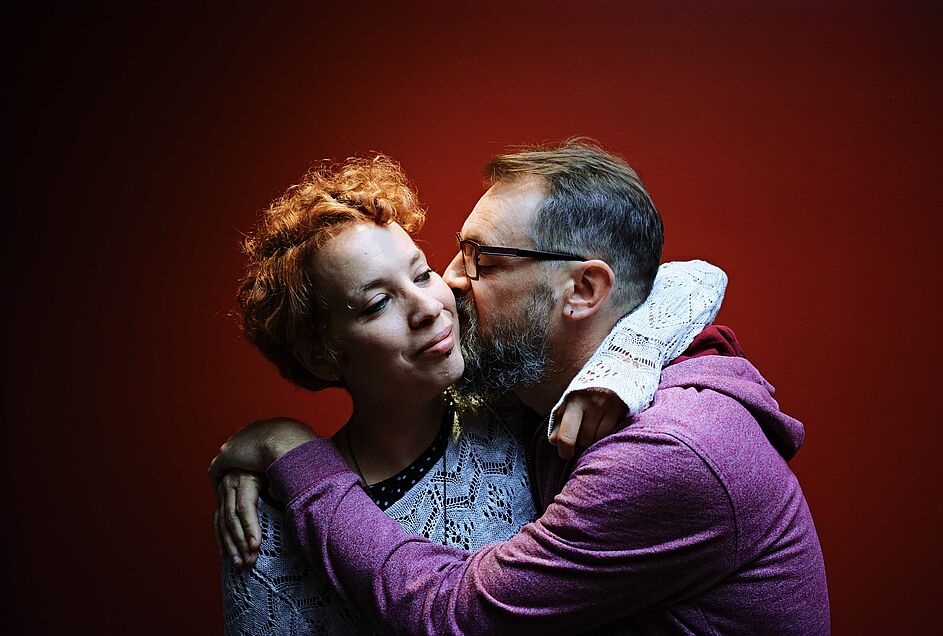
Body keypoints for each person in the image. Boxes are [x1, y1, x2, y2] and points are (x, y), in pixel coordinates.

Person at [214, 153, 727, 634]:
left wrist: (621, 368)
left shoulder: (522, 411)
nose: (434, 302)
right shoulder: (268, 520)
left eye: (421, 273)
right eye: (376, 303)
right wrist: (286, 459)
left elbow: (675, 280)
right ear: (321, 354)